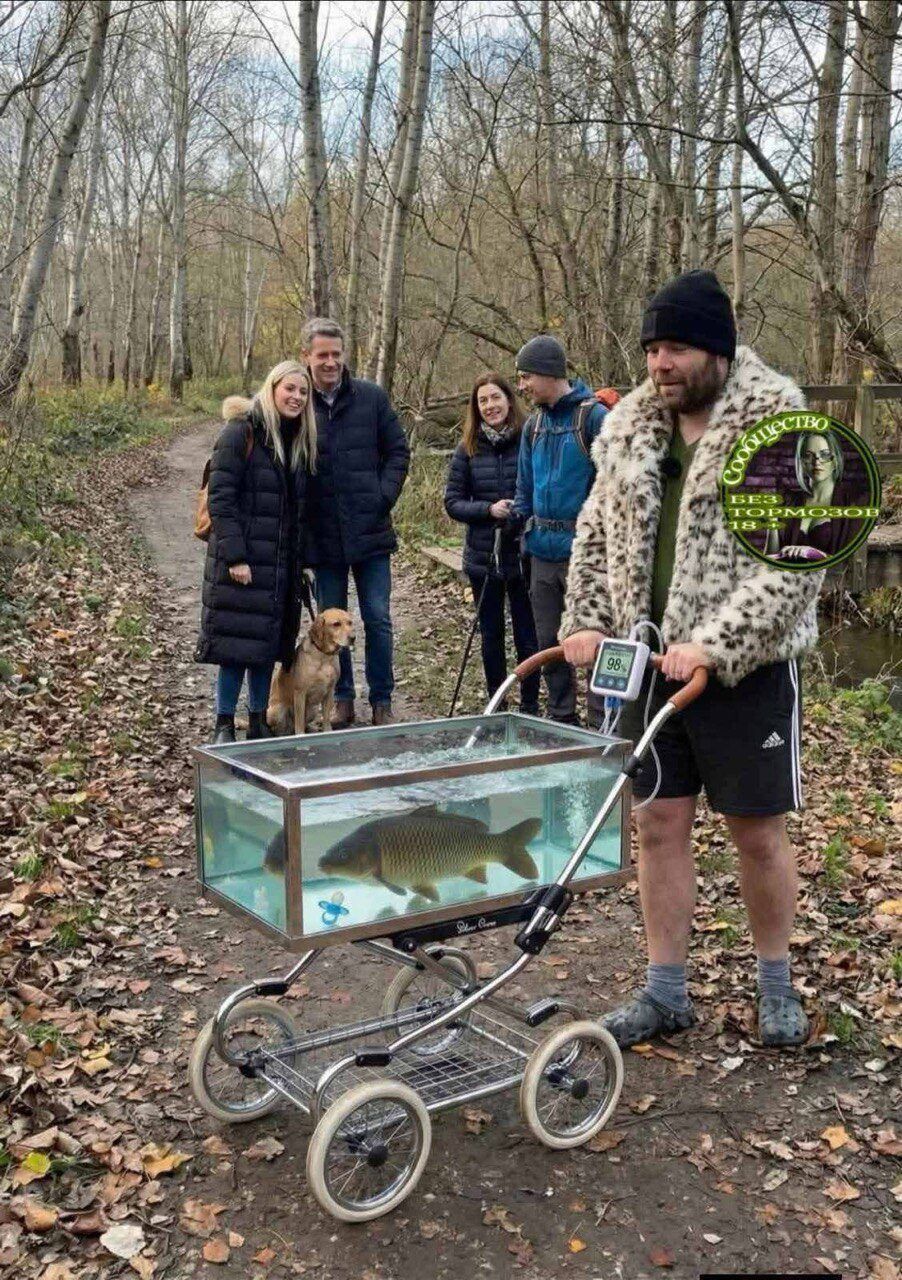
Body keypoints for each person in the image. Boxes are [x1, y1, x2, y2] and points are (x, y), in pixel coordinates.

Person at [560, 269, 824, 1049]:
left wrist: (716, 645)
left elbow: (798, 560)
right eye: (651, 349)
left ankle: (775, 984)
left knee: (756, 833)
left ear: (715, 348)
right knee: (658, 825)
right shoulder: (630, 428)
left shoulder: (779, 426)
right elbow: (595, 531)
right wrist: (583, 618)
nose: (659, 364)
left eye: (674, 347)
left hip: (747, 673)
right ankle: (665, 990)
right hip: (646, 665)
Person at [196, 361, 316, 743]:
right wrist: (235, 557)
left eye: (303, 392)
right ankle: (224, 723)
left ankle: (258, 720)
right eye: (290, 389)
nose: (296, 397)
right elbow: (221, 497)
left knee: (267, 647)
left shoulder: (298, 440)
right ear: (272, 387)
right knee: (235, 647)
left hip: (279, 565)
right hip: (243, 560)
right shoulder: (241, 432)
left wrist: (301, 563)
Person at [302, 318, 410, 727]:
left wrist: (383, 497)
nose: (330, 362)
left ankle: (382, 699)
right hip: (324, 537)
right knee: (331, 625)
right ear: (307, 357)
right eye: (322, 355)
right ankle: (342, 698)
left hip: (371, 532)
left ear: (344, 355)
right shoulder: (299, 403)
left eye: (335, 354)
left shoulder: (371, 398)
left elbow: (398, 451)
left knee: (378, 618)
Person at [512, 334, 609, 724]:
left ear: (548, 373)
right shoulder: (532, 426)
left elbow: (613, 487)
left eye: (526, 377)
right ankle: (562, 717)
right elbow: (524, 485)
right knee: (549, 639)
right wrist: (516, 522)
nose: (521, 386)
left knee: (594, 639)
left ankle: (604, 721)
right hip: (542, 552)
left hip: (585, 553)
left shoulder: (595, 418)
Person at [444, 373, 540, 713]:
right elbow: (452, 501)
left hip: (523, 553)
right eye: (483, 401)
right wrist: (488, 509)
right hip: (483, 558)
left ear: (509, 400)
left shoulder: (530, 436)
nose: (490, 406)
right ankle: (497, 704)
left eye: (495, 398)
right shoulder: (467, 448)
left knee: (528, 636)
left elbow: (539, 487)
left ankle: (530, 705)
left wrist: (519, 511)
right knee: (492, 635)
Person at [765, 429, 860, 562]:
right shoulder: (788, 502)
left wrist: (812, 553)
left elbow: (850, 562)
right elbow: (771, 561)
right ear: (802, 462)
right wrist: (772, 523)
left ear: (835, 461)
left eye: (825, 455)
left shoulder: (852, 503)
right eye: (809, 455)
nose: (817, 462)